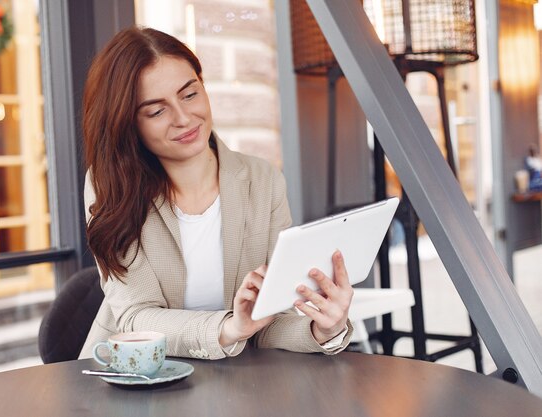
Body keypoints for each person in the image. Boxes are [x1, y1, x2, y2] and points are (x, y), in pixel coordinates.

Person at [78, 26, 354, 360]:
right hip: (139, 375)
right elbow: (135, 317)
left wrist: (321, 329)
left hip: (237, 383)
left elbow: (267, 321)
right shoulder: (110, 185)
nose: (184, 118)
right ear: (127, 123)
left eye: (190, 94)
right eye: (156, 111)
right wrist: (229, 328)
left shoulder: (262, 180)